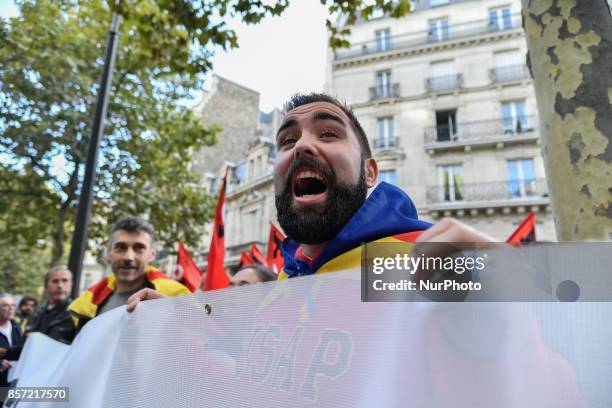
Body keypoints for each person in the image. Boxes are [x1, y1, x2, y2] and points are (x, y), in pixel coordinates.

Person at [126, 92, 494, 311]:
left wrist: (506, 280)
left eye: (329, 133)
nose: (301, 145)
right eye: (287, 141)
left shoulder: (413, 262)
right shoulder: (287, 280)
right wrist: (176, 332)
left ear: (370, 173)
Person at [70, 216, 190, 329]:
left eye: (139, 248)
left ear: (151, 255)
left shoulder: (176, 296)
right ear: (108, 251)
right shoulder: (87, 302)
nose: (129, 257)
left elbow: (206, 330)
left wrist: (176, 315)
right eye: (121, 247)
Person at [0, 294, 22, 389]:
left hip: (14, 384)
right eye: (5, 305)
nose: (11, 308)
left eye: (13, 305)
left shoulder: (17, 327)